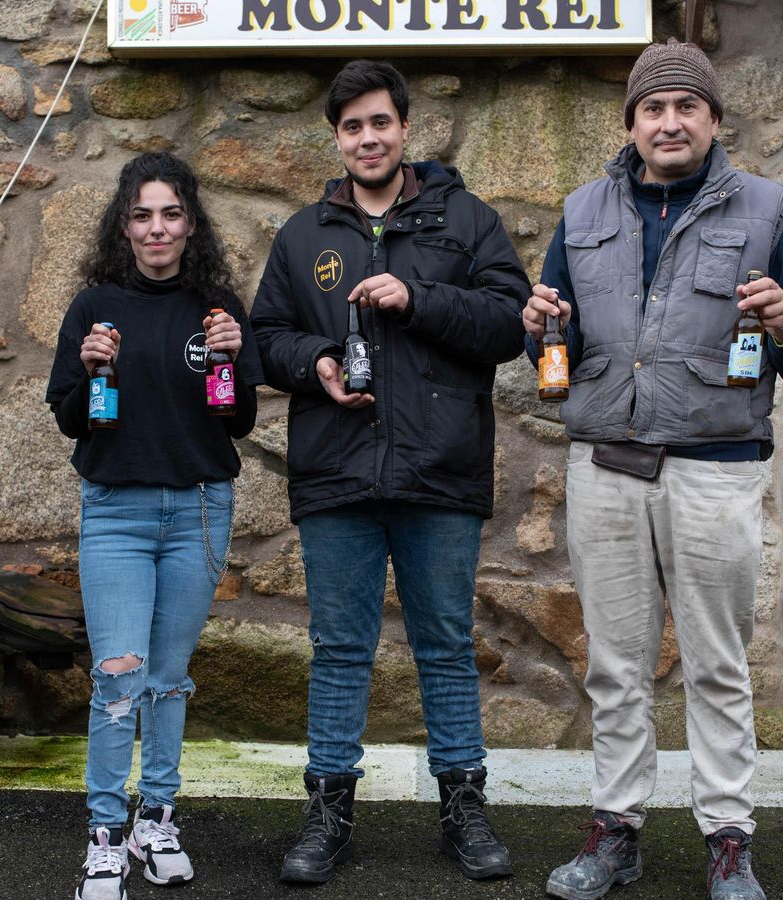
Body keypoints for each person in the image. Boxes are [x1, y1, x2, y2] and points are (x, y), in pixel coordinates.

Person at [523, 39, 783, 900]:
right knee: (616, 665)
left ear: (712, 121)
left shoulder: (768, 211)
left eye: (685, 107)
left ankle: (729, 839)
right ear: (630, 123)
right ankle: (615, 832)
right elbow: (559, 346)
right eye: (653, 108)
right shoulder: (582, 210)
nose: (669, 122)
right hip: (607, 471)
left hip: (716, 470)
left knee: (717, 662)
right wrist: (540, 321)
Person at [250, 59, 531, 886]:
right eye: (351, 127)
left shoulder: (467, 220)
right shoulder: (304, 235)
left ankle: (464, 807)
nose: (367, 138)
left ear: (405, 129)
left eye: (379, 122)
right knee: (340, 647)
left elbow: (508, 325)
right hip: (337, 469)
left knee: (444, 645)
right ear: (335, 140)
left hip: (440, 469)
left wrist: (416, 298)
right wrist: (319, 362)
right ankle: (329, 809)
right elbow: (267, 334)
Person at [45, 151, 263, 900]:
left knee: (168, 682)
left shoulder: (216, 307)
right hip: (117, 512)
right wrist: (87, 362)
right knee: (118, 678)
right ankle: (105, 834)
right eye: (142, 214)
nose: (157, 228)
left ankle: (156, 819)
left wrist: (234, 356)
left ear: (191, 222)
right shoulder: (95, 307)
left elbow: (237, 421)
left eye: (171, 213)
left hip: (200, 505)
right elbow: (72, 416)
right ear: (123, 225)